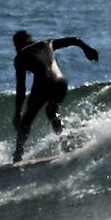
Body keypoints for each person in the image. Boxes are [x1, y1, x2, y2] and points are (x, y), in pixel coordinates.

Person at [11, 29, 99, 162]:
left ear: (17, 45)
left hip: (43, 83)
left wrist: (17, 112)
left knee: (27, 119)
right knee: (52, 112)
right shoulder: (48, 43)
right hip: (61, 83)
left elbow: (21, 88)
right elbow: (74, 40)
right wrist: (87, 49)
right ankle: (66, 144)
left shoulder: (20, 57)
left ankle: (18, 156)